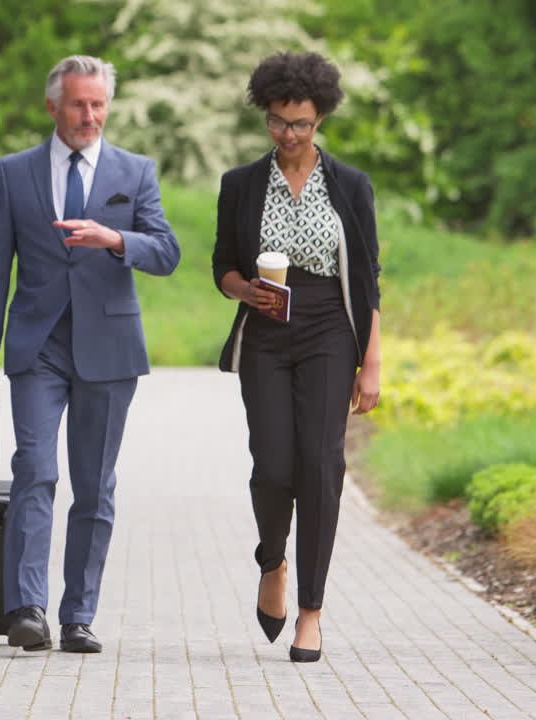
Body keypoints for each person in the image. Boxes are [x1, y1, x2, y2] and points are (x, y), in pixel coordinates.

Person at [0, 55, 180, 654]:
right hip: (39, 347)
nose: (90, 115)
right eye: (79, 104)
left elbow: (166, 252)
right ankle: (27, 609)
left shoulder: (135, 171)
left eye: (99, 104)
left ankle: (79, 614)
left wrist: (116, 240)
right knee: (35, 469)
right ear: (53, 106)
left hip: (110, 349)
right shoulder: (15, 173)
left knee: (94, 486)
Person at [211, 51, 382, 663]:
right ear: (266, 115)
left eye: (301, 123)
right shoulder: (241, 184)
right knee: (273, 466)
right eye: (279, 122)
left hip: (330, 329)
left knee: (320, 465)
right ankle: (272, 562)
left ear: (320, 119)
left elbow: (368, 279)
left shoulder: (351, 186)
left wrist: (371, 363)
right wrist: (244, 290)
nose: (289, 134)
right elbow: (222, 267)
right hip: (265, 330)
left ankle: (311, 612)